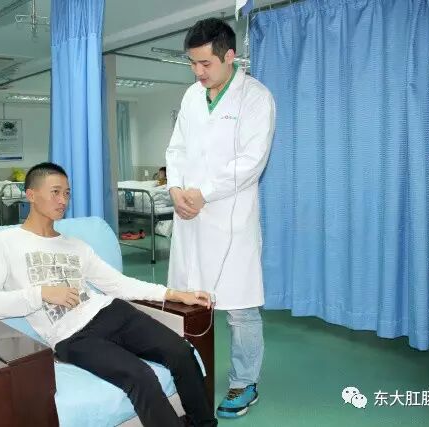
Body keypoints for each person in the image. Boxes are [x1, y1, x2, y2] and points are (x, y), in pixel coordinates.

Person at [0, 162, 218, 427]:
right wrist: (41, 293)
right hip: (72, 337)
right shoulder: (5, 243)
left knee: (181, 352)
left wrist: (175, 294)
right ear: (31, 194)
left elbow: (118, 284)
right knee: (140, 376)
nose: (63, 200)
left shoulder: (75, 245)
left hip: (112, 313)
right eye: (55, 192)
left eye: (67, 193)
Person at [165, 18, 276, 419]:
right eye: (192, 63)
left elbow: (251, 161)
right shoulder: (192, 96)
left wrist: (203, 192)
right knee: (187, 302)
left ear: (229, 56)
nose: (198, 72)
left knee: (240, 309)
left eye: (205, 63)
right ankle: (189, 372)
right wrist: (175, 189)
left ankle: (244, 383)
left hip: (230, 217)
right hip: (189, 215)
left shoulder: (256, 98)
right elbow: (176, 148)